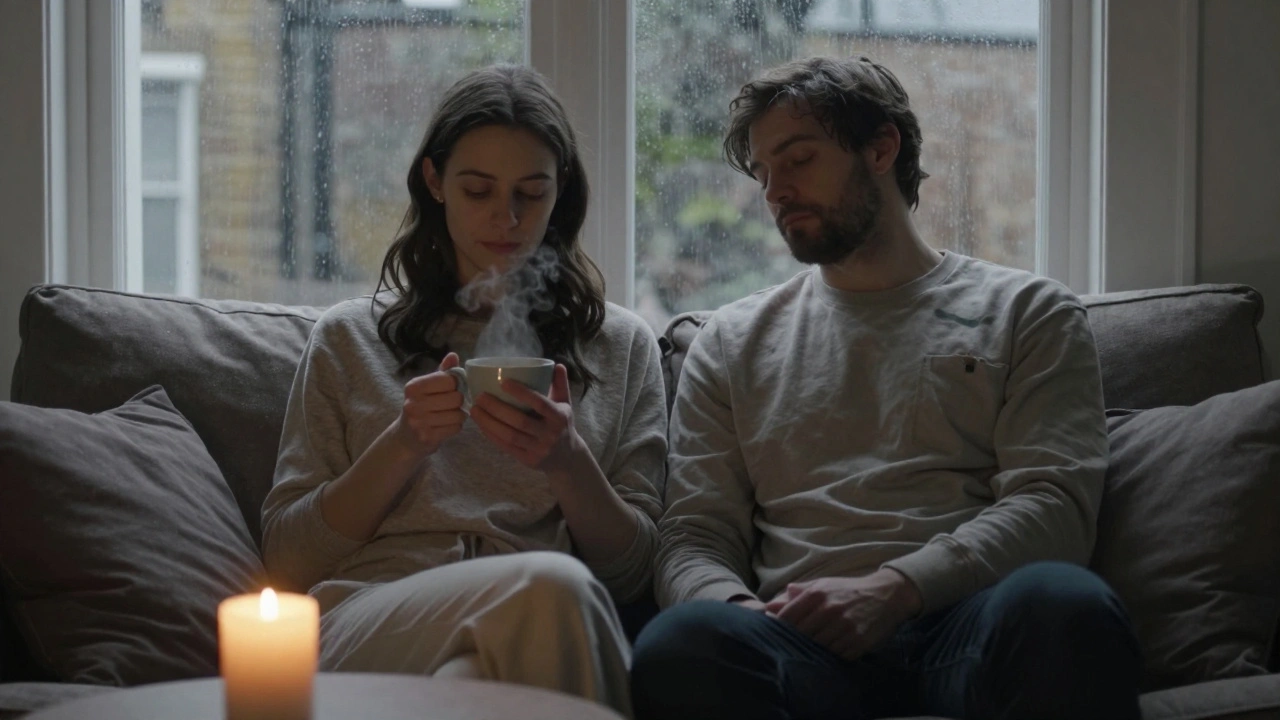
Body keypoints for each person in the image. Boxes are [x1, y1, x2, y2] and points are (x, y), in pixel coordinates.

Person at [630, 55, 1142, 720]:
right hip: (797, 641)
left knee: (1065, 603)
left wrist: (896, 588)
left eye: (799, 159)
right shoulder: (729, 342)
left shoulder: (1027, 312)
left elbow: (1056, 508)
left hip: (967, 623)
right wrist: (741, 612)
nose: (774, 191)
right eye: (763, 173)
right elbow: (694, 536)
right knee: (682, 643)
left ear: (881, 148)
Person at [261, 64, 667, 718]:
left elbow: (634, 572)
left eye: (531, 194)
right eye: (478, 190)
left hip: (537, 627)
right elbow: (285, 558)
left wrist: (568, 462)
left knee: (478, 677)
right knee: (552, 587)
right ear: (434, 182)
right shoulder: (349, 338)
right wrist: (401, 444)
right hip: (370, 618)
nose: (505, 218)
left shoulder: (619, 346)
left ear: (561, 193)